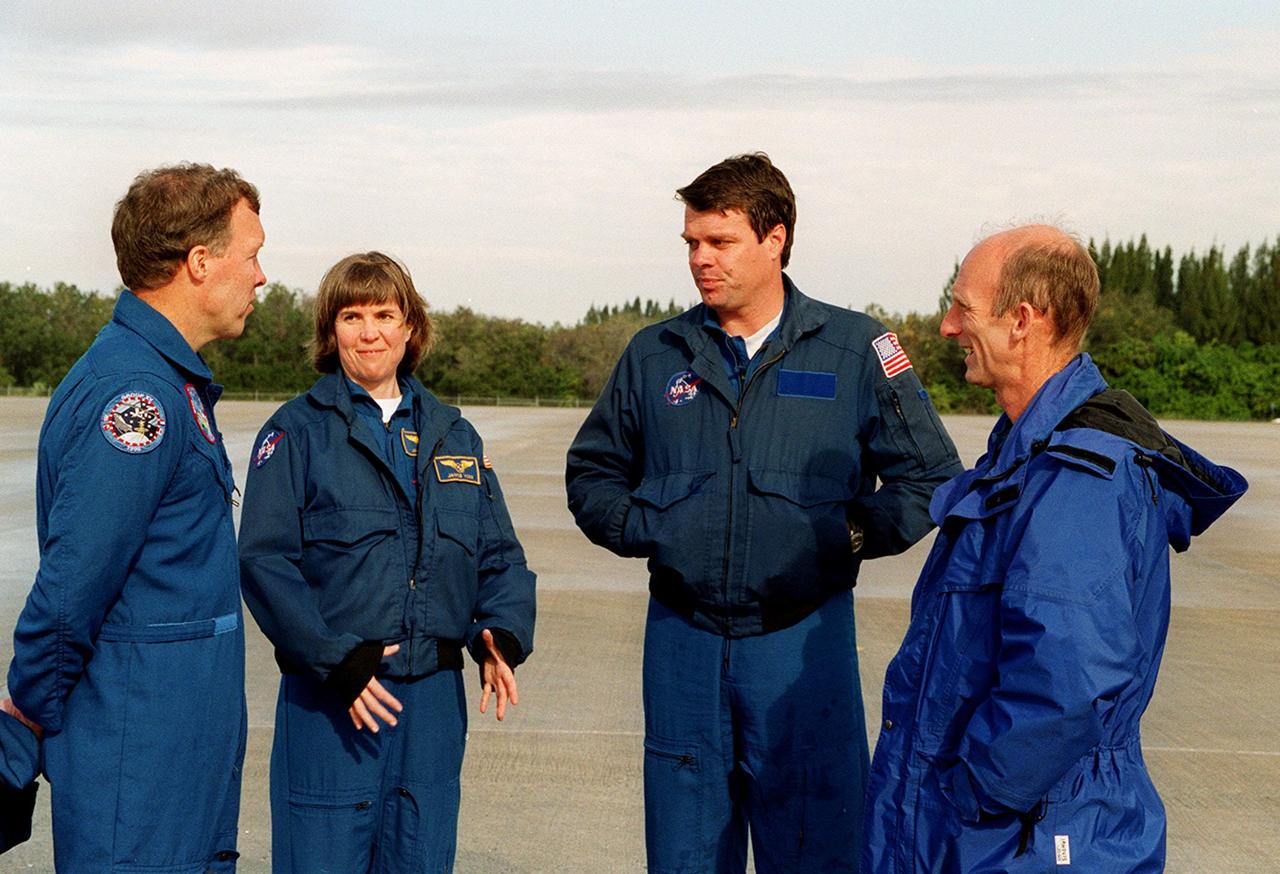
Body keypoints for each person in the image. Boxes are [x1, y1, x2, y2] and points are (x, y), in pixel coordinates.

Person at [565, 153, 963, 873]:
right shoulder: (657, 354)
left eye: (719, 242)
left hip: (802, 647)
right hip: (683, 645)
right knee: (686, 855)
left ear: (775, 237)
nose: (700, 260)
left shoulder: (854, 349)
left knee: (817, 853)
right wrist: (653, 530)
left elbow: (930, 475)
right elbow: (593, 472)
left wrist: (850, 534)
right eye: (691, 243)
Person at [863, 225, 1248, 873]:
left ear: (1022, 320)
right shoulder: (1022, 454)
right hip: (1004, 826)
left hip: (1029, 836)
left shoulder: (1076, 478)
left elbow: (1069, 684)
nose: (947, 325)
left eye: (962, 306)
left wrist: (974, 795)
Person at [2, 163, 264, 870]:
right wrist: (26, 718)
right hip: (137, 770)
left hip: (173, 763)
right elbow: (72, 588)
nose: (262, 276)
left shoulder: (167, 382)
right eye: (252, 254)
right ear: (200, 263)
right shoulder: (136, 395)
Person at [238, 251, 536, 873]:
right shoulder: (294, 432)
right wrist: (333, 659)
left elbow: (500, 556)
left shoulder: (455, 436)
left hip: (431, 703)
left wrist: (499, 635)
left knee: (421, 858)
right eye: (351, 316)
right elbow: (266, 563)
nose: (369, 332)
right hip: (333, 703)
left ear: (410, 327)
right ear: (330, 330)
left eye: (384, 314)